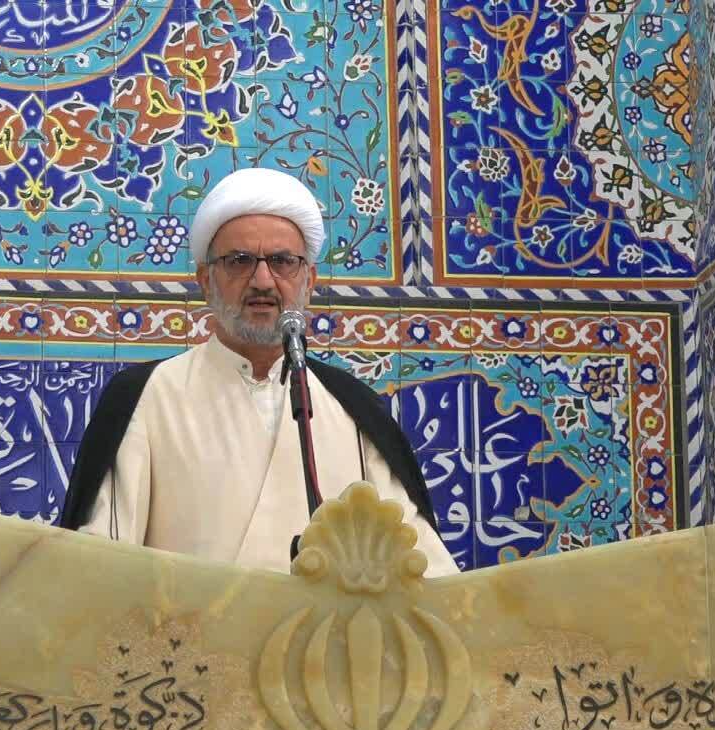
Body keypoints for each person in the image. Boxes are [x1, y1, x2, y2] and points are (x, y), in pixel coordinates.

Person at [59, 168, 458, 576]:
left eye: (283, 262)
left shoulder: (355, 410)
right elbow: (102, 564)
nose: (263, 280)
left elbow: (420, 569)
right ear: (205, 280)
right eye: (240, 261)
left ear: (309, 280)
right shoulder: (146, 396)